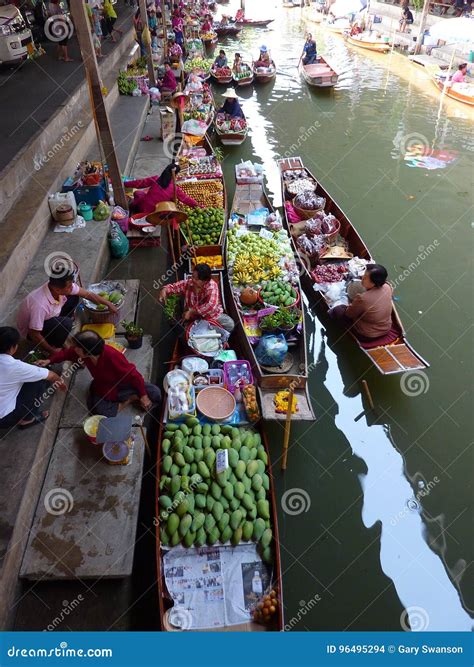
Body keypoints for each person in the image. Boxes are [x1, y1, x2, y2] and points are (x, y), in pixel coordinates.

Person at [37, 331, 161, 418]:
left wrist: (144, 395)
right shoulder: (82, 354)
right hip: (103, 387)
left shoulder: (112, 356)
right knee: (100, 411)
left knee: (155, 393)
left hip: (123, 384)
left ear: (88, 351)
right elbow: (66, 353)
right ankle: (130, 399)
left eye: (77, 348)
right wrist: (49, 360)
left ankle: (136, 396)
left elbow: (134, 375)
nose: (74, 349)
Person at [16, 268, 117, 355]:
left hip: (50, 316)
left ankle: (61, 327)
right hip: (32, 331)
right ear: (57, 290)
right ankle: (54, 343)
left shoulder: (56, 288)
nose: (72, 287)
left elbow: (88, 294)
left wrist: (108, 304)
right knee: (66, 323)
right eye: (69, 286)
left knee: (74, 296)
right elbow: (34, 333)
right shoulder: (40, 305)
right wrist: (52, 350)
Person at [0, 327, 66, 430]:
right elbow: (51, 375)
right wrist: (62, 385)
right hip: (4, 418)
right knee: (38, 380)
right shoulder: (13, 366)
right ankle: (27, 420)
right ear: (12, 348)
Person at [159, 263, 235, 332]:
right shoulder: (189, 284)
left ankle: (207, 330)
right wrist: (164, 290)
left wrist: (191, 311)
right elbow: (174, 287)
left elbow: (211, 306)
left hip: (211, 317)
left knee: (230, 324)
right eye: (192, 276)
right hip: (193, 319)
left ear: (205, 281)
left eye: (196, 279)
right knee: (184, 333)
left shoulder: (212, 286)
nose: (193, 280)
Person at [329, 264, 393, 340]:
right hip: (386, 328)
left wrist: (350, 305)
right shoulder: (388, 287)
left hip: (367, 334)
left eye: (365, 277)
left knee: (338, 310)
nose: (362, 278)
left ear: (373, 283)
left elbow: (348, 314)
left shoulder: (363, 298)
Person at [125, 162, 201, 215]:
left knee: (138, 193)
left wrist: (124, 184)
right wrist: (200, 207)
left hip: (143, 207)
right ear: (176, 175)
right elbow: (186, 199)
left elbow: (139, 183)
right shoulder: (175, 189)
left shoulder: (155, 178)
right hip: (156, 213)